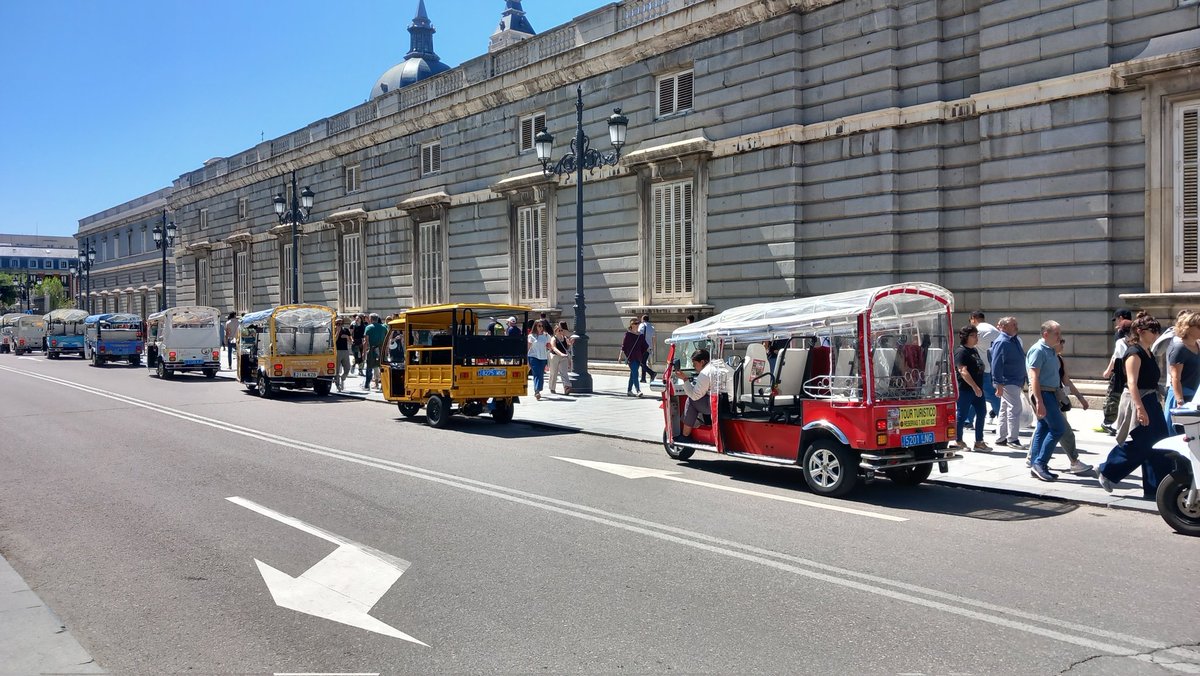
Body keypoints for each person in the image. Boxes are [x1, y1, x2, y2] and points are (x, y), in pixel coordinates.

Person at [1097, 313, 1173, 498]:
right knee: (1142, 443)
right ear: (1140, 331)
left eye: (1158, 330)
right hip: (1138, 400)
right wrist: (1140, 408)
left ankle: (1156, 489)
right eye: (1153, 330)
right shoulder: (1134, 353)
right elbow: (1132, 383)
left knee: (1159, 443)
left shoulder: (1149, 352)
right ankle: (1108, 470)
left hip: (1151, 400)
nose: (1156, 334)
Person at [1026, 320, 1066, 482]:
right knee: (1058, 428)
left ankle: (1036, 464)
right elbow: (1034, 377)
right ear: (1045, 334)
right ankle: (1040, 463)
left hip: (1050, 393)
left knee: (1043, 427)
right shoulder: (1038, 350)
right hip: (1043, 393)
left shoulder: (1050, 350)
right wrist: (1039, 401)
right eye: (1056, 333)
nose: (1059, 337)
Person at [1053, 337, 1093, 474]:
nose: (1063, 346)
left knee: (1046, 429)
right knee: (1065, 432)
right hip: (1048, 399)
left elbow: (1066, 381)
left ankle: (1033, 459)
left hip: (1058, 398)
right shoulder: (1044, 356)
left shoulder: (1060, 359)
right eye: (1061, 343)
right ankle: (1074, 461)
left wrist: (1080, 398)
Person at [990, 316, 1027, 451]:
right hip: (1008, 380)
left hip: (1014, 380)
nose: (1016, 327)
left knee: (1005, 409)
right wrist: (998, 383)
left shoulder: (1013, 340)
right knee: (1014, 409)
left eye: (1016, 324)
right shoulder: (1002, 342)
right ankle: (1013, 439)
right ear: (1004, 327)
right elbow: (996, 364)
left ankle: (1001, 437)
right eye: (1013, 324)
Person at [954, 325, 990, 451]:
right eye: (973, 335)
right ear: (965, 337)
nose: (976, 338)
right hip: (965, 389)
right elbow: (962, 371)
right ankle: (958, 440)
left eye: (976, 335)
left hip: (978, 389)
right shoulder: (961, 352)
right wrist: (974, 386)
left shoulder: (974, 350)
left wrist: (978, 387)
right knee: (962, 415)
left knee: (982, 412)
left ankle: (979, 441)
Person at [1098, 308, 1134, 434]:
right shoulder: (1135, 332)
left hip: (1120, 370)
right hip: (1130, 369)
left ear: (1121, 318)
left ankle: (1108, 422)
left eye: (1117, 319)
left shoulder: (1120, 334)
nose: (1116, 322)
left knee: (1114, 395)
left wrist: (1108, 370)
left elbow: (1116, 355)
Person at [673, 348, 719, 442]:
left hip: (715, 404)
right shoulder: (720, 367)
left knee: (691, 400)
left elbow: (694, 396)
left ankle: (685, 436)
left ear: (702, 362)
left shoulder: (705, 372)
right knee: (703, 397)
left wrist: (684, 379)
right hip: (727, 403)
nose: (694, 367)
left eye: (694, 364)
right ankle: (707, 424)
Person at [1165, 310, 1200, 431]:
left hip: (1194, 396)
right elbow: (1175, 377)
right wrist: (1180, 402)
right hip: (1181, 396)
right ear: (1188, 328)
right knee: (1181, 434)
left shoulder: (1197, 346)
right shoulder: (1180, 348)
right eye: (1199, 326)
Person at [969, 311, 1002, 423]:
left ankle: (1002, 419)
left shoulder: (977, 331)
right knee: (977, 393)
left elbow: (968, 346)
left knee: (989, 394)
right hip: (993, 367)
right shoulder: (995, 330)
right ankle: (968, 419)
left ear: (973, 318)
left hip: (981, 368)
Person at [619, 318, 648, 397]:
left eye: (638, 323)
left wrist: (648, 350)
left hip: (638, 357)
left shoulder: (640, 335)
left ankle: (629, 391)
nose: (637, 325)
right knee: (635, 373)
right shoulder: (628, 334)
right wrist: (620, 356)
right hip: (631, 357)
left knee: (633, 374)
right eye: (635, 324)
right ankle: (638, 390)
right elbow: (623, 346)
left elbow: (645, 346)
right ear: (631, 325)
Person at [362, 313, 387, 391]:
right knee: (382, 368)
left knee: (369, 368)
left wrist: (364, 353)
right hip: (381, 350)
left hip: (372, 350)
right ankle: (383, 386)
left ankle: (367, 385)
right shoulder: (384, 328)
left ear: (370, 319)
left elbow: (366, 341)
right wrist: (386, 351)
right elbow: (387, 340)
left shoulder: (368, 327)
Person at [527, 321, 551, 400]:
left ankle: (537, 389)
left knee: (540, 374)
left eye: (542, 326)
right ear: (535, 327)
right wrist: (526, 360)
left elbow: (549, 346)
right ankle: (537, 390)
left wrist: (549, 347)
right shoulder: (531, 336)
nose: (541, 327)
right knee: (537, 374)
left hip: (543, 357)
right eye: (539, 326)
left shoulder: (546, 336)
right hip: (533, 357)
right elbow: (528, 348)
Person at [547, 322, 573, 395]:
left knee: (564, 372)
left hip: (563, 357)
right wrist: (560, 354)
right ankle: (552, 388)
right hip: (554, 356)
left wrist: (571, 342)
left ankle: (567, 387)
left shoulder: (564, 338)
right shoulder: (553, 338)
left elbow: (569, 344)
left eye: (561, 330)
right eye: (559, 330)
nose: (561, 332)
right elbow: (554, 348)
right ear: (555, 331)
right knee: (553, 373)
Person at [334, 318, 353, 392]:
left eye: (340, 323)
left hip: (345, 351)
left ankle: (343, 378)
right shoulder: (333, 329)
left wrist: (347, 337)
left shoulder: (346, 330)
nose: (339, 325)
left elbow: (351, 341)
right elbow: (334, 340)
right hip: (337, 351)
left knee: (347, 368)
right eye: (337, 323)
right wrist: (338, 332)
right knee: (337, 370)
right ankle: (338, 385)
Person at [638, 315, 658, 383]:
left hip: (642, 347)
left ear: (643, 319)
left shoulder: (641, 325)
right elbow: (654, 339)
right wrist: (653, 348)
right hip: (649, 348)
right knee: (643, 362)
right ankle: (643, 378)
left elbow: (638, 335)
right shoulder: (652, 327)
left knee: (641, 362)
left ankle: (652, 373)